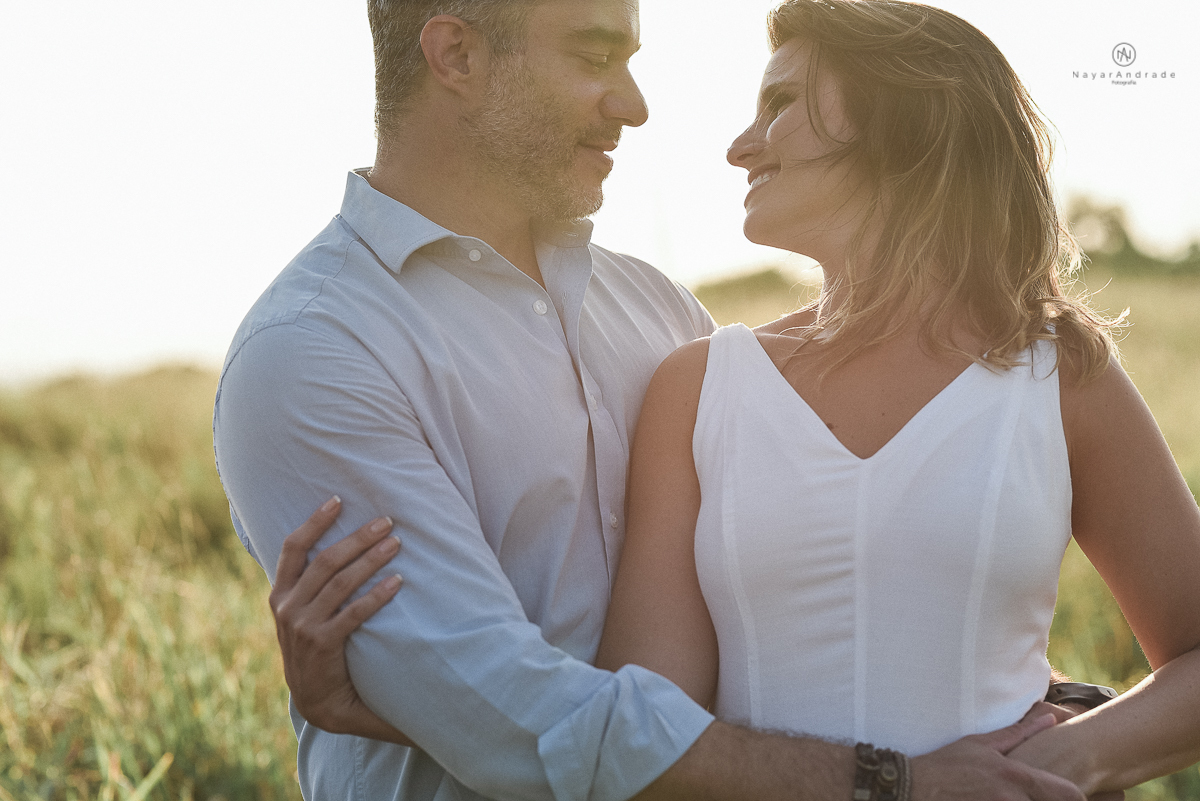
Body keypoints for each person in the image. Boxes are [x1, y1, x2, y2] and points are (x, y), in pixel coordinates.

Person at [220, 1, 1123, 799]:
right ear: (456, 56)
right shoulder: (315, 351)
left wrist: (1024, 711)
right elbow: (500, 711)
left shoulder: (657, 314)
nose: (634, 104)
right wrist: (899, 781)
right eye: (594, 54)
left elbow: (782, 606)